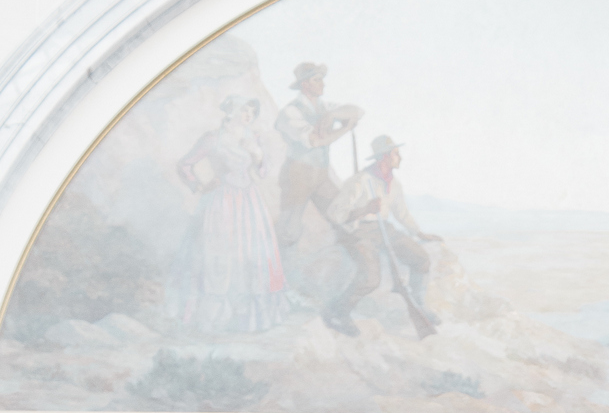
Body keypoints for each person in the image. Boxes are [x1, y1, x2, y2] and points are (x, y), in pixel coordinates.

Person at [173, 96, 287, 333]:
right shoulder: (213, 138)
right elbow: (184, 165)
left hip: (249, 203)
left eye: (251, 112)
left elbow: (263, 172)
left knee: (251, 256)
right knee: (218, 258)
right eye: (244, 110)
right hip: (221, 202)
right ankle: (213, 321)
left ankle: (246, 320)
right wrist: (199, 186)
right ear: (231, 111)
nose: (248, 115)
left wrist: (257, 155)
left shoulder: (252, 138)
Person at [322, 134, 442, 336]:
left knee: (421, 258)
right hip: (357, 231)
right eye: (396, 153)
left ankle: (419, 305)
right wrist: (364, 210)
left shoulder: (394, 184)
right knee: (370, 278)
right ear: (384, 157)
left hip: (383, 228)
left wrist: (419, 232)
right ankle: (337, 312)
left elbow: (402, 213)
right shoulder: (360, 181)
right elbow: (335, 214)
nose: (400, 157)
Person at [274, 62, 363, 249]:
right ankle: (278, 269)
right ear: (305, 84)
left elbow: (358, 111)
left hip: (321, 175)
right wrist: (345, 127)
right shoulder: (290, 112)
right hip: (298, 175)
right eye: (317, 80)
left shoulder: (325, 107)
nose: (323, 84)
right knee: (289, 230)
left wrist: (333, 115)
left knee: (339, 213)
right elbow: (314, 141)